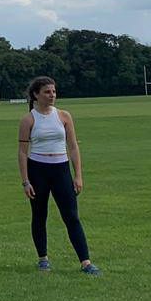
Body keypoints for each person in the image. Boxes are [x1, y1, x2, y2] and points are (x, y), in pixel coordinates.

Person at [17, 77, 102, 275]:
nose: (52, 95)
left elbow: (73, 146)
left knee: (71, 216)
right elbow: (22, 152)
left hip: (61, 169)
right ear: (36, 95)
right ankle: (43, 259)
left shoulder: (64, 116)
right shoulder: (28, 120)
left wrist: (78, 175)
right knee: (39, 216)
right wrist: (25, 181)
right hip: (38, 170)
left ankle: (86, 262)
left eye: (54, 92)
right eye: (47, 92)